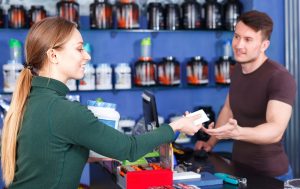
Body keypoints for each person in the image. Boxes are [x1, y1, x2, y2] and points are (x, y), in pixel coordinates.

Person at [1, 17, 203, 188]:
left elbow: (49, 158)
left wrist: (96, 153)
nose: (87, 56)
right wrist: (177, 126)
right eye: (79, 49)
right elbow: (129, 149)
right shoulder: (63, 110)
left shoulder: (32, 100)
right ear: (53, 55)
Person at [195, 10, 296, 181]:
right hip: (239, 168)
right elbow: (228, 108)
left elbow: (276, 130)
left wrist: (237, 133)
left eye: (248, 40)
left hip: (270, 175)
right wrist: (211, 143)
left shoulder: (279, 77)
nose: (239, 45)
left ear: (264, 45)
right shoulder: (237, 69)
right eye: (236, 37)